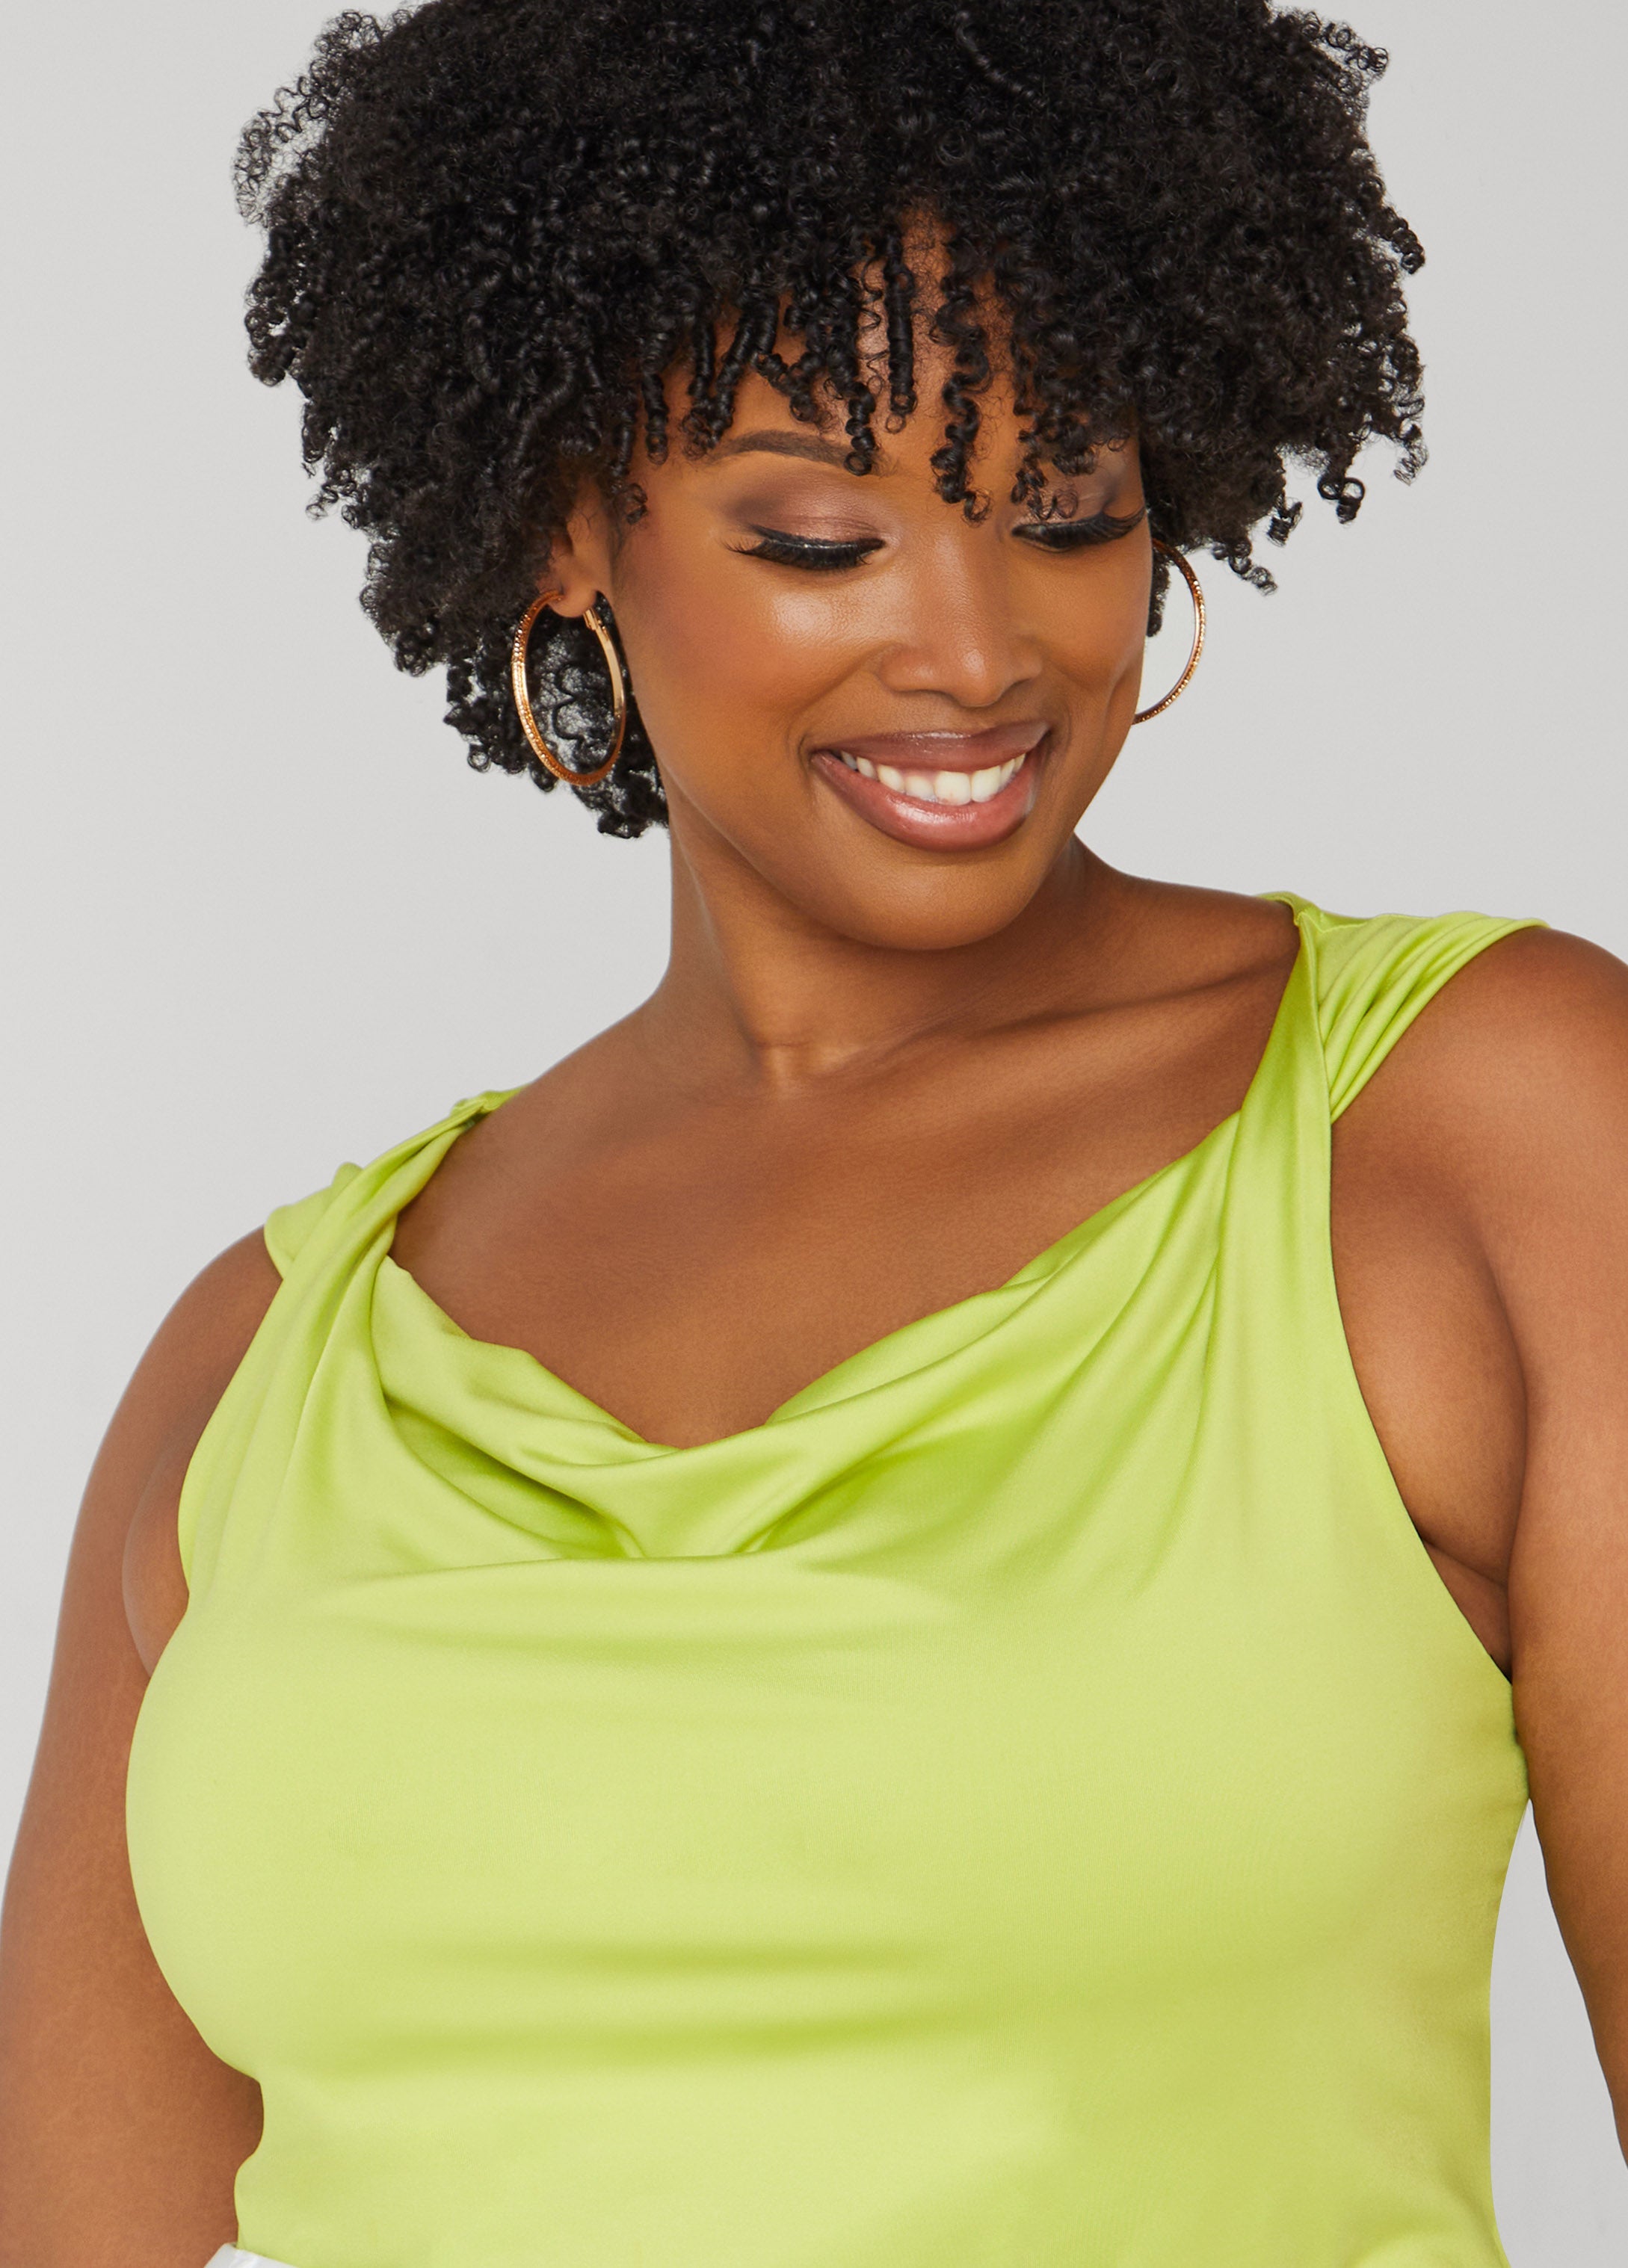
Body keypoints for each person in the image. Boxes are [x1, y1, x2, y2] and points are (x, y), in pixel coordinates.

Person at [2, 0, 1625, 2261]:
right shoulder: (261, 1361)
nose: (973, 651)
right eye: (817, 536)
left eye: (1067, 511)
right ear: (569, 532)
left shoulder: (1478, 1134)